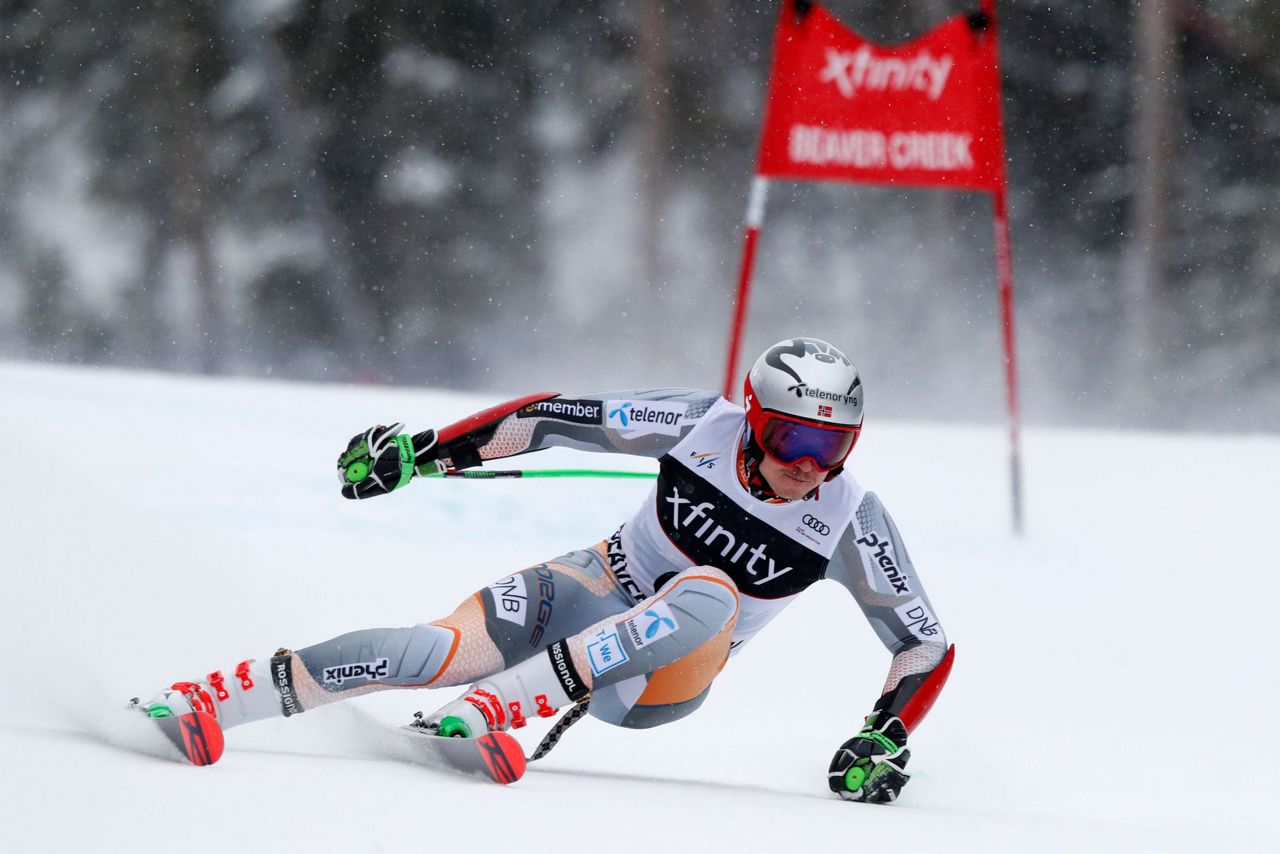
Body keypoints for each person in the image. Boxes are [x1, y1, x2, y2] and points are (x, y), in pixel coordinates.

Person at [141, 337, 953, 803]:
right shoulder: (700, 422)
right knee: (434, 653)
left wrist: (883, 734)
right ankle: (216, 698)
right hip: (592, 586)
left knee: (708, 591)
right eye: (791, 439)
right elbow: (549, 418)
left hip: (657, 679)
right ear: (751, 421)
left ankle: (500, 707)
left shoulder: (850, 519)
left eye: (834, 444)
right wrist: (423, 456)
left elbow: (924, 644)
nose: (811, 463)